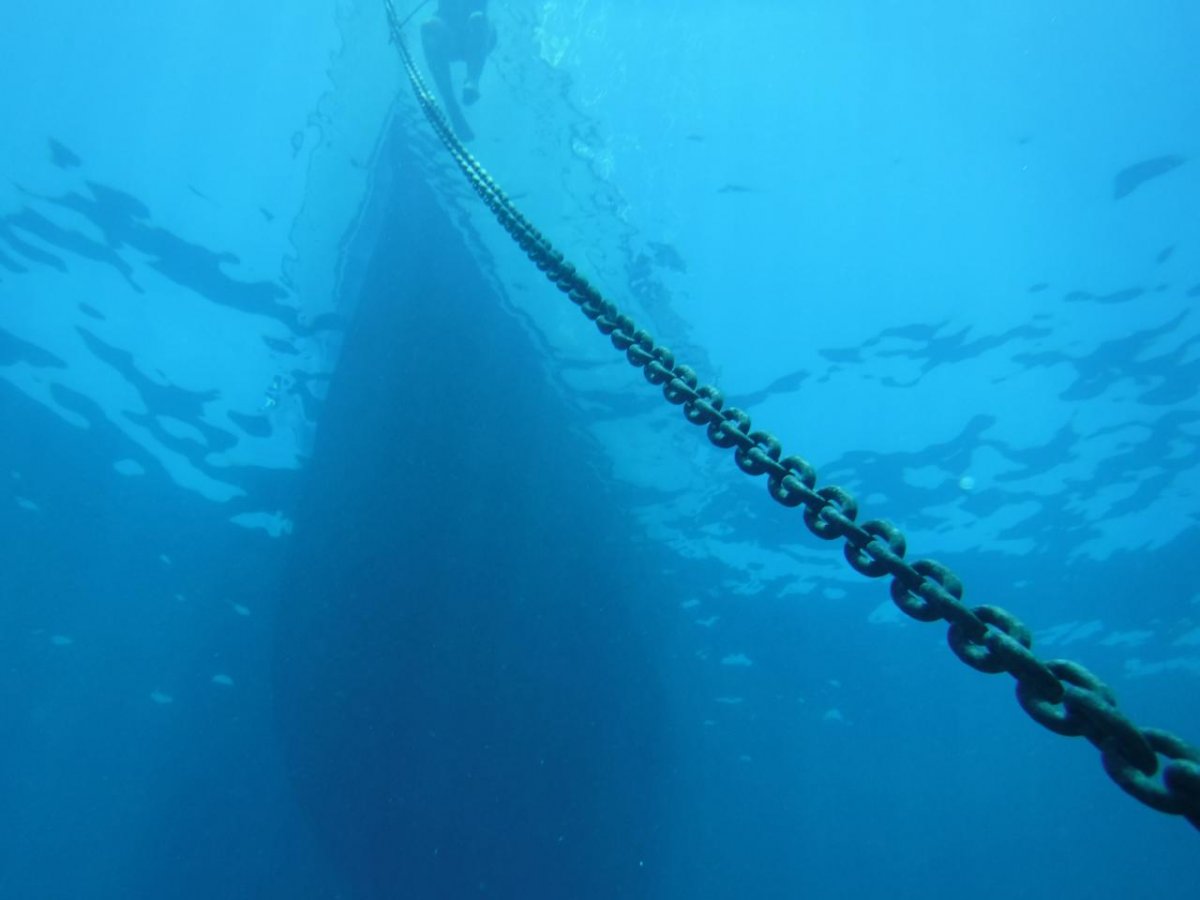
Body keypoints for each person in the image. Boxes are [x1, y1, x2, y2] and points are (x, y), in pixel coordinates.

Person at [421, 0, 497, 141]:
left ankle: (472, 80)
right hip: (449, 34)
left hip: (478, 37)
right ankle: (452, 106)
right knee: (428, 27)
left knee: (478, 18)